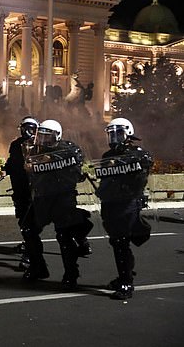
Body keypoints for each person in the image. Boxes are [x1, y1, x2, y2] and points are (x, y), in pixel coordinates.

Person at [22, 119, 92, 289]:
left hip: (62, 199)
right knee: (28, 229)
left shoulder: (68, 149)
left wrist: (52, 158)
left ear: (57, 136)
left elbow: (75, 161)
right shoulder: (35, 151)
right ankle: (38, 267)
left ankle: (71, 275)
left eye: (48, 136)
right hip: (42, 198)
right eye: (41, 136)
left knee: (64, 236)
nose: (43, 140)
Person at [94, 118, 153, 300]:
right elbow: (106, 180)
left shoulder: (138, 154)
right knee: (117, 242)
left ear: (128, 133)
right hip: (110, 203)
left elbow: (141, 174)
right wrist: (102, 190)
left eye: (118, 134)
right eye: (111, 134)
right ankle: (125, 274)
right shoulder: (107, 156)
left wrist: (123, 165)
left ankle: (126, 283)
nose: (114, 138)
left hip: (127, 203)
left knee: (121, 242)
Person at [0, 117, 38, 270]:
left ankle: (30, 255)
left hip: (34, 190)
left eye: (29, 129)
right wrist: (6, 169)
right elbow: (12, 161)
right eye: (23, 128)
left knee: (30, 223)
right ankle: (29, 244)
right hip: (19, 188)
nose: (26, 132)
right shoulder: (16, 145)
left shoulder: (40, 145)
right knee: (23, 220)